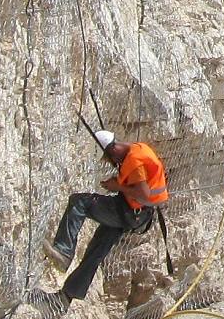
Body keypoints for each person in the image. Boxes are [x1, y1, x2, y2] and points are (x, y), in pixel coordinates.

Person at [48, 129, 169, 302]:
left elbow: (143, 194)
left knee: (79, 202)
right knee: (97, 249)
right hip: (138, 213)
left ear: (113, 150)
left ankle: (64, 251)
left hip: (132, 213)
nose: (108, 162)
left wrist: (117, 187)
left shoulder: (134, 161)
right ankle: (68, 296)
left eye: (107, 158)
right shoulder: (137, 149)